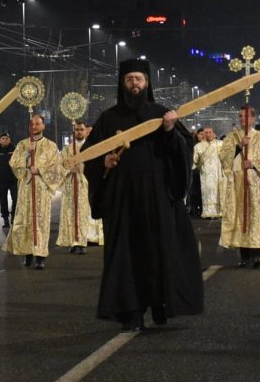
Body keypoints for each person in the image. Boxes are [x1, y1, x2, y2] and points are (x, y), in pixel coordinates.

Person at [82, 59, 204, 331]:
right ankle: (132, 312)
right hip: (124, 203)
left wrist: (171, 131)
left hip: (158, 199)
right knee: (127, 258)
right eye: (129, 79)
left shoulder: (163, 114)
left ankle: (161, 304)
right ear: (122, 83)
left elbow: (185, 150)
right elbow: (90, 157)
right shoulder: (108, 119)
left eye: (138, 79)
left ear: (147, 82)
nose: (134, 84)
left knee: (160, 252)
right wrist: (104, 164)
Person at [3, 113, 62, 268]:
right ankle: (28, 252)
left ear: (43, 126)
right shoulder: (23, 144)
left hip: (42, 189)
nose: (34, 126)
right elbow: (14, 163)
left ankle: (40, 256)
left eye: (37, 123)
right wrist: (26, 154)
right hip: (26, 189)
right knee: (26, 222)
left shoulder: (51, 146)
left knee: (41, 223)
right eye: (32, 124)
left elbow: (57, 168)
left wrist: (40, 169)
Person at [219, 105, 260, 268]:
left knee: (255, 217)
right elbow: (224, 157)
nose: (243, 119)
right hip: (237, 183)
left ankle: (257, 255)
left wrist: (253, 163)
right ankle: (244, 255)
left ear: (254, 119)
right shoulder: (231, 137)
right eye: (241, 116)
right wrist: (238, 146)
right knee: (240, 217)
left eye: (247, 116)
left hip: (256, 183)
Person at [56, 120, 102, 253]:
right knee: (72, 213)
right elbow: (59, 166)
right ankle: (74, 241)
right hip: (71, 185)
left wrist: (83, 168)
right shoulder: (67, 149)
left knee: (84, 213)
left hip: (87, 183)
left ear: (86, 131)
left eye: (81, 129)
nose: (79, 132)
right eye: (76, 130)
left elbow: (98, 164)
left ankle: (83, 241)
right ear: (73, 131)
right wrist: (68, 169)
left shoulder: (92, 148)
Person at [193, 127, 223, 219]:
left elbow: (226, 158)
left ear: (213, 133)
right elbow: (194, 161)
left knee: (217, 191)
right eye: (206, 133)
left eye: (210, 132)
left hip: (217, 172)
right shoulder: (198, 146)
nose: (208, 134)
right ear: (203, 134)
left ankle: (218, 211)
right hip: (205, 173)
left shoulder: (220, 144)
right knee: (207, 192)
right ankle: (207, 212)